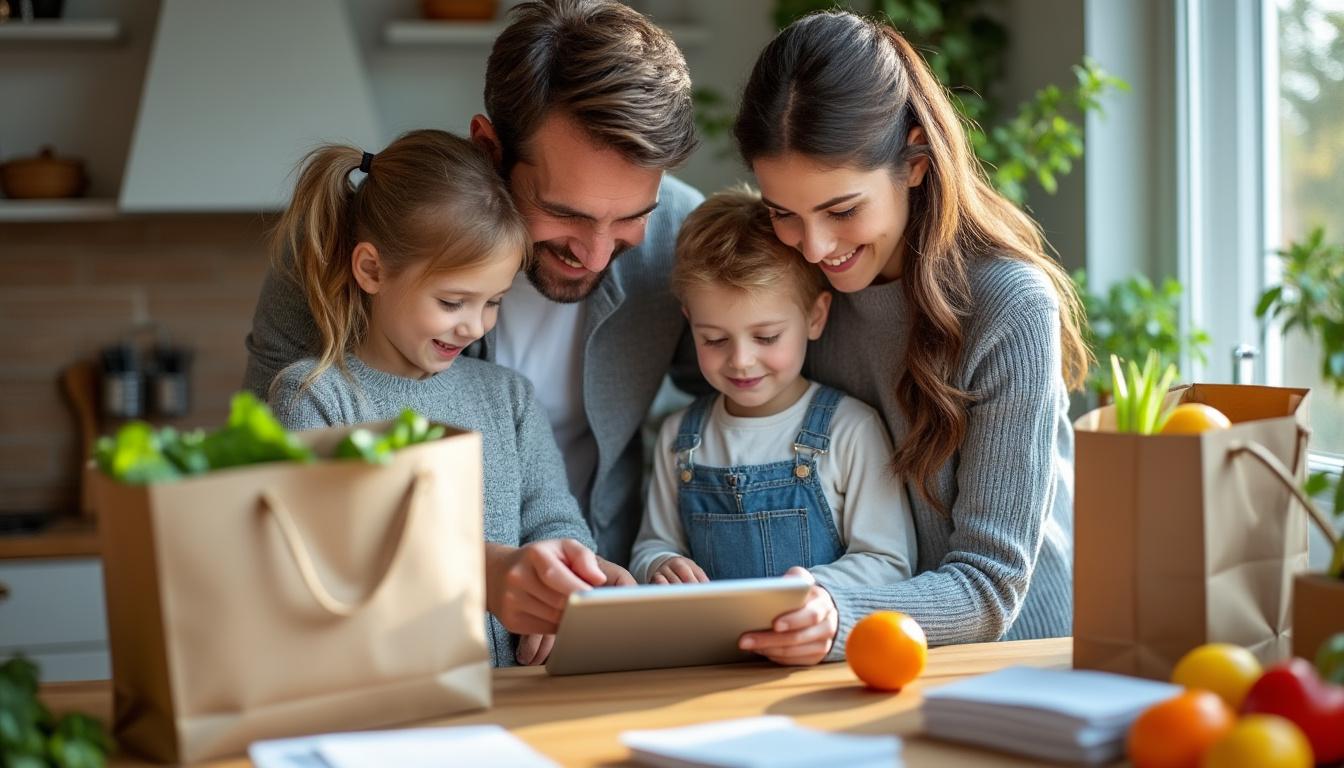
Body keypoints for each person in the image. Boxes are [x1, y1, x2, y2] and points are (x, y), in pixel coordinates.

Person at [241, 0, 706, 570]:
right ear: (489, 147)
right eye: (566, 213)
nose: (596, 254)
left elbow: (748, 395)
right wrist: (489, 572)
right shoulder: (346, 242)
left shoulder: (681, 238)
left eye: (633, 217)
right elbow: (268, 490)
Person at [730, 10, 1090, 665]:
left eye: (842, 210)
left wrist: (838, 616)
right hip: (852, 657)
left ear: (916, 163)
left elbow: (990, 586)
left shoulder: (1009, 304)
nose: (814, 247)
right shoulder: (791, 289)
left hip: (1013, 660)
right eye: (784, 213)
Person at [265, 129, 631, 667]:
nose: (474, 327)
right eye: (453, 302)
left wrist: (573, 575)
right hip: (383, 690)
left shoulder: (508, 398)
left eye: (494, 302)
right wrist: (483, 569)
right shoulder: (316, 399)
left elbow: (552, 517)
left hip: (514, 690)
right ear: (372, 270)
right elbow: (329, 559)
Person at [629, 188, 917, 631]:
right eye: (714, 339)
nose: (741, 360)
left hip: (815, 650)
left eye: (766, 337)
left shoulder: (850, 429)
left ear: (815, 317)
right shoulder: (679, 437)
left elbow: (890, 562)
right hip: (709, 655)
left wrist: (814, 591)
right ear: (690, 322)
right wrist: (659, 564)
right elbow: (652, 545)